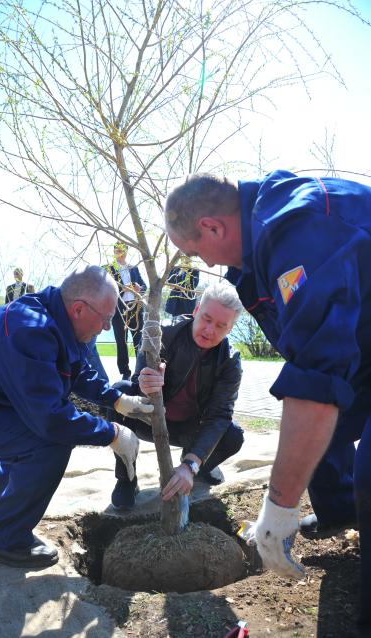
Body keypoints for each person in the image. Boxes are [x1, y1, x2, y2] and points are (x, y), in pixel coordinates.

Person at [164, 169, 371, 628]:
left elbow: (316, 375)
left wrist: (278, 505)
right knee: (319, 437)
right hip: (362, 350)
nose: (210, 264)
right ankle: (341, 516)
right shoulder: (259, 252)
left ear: (213, 227)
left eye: (198, 252)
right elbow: (310, 362)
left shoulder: (302, 227)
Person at [0, 265, 154, 568]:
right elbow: (52, 419)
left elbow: (75, 368)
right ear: (79, 309)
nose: (108, 327)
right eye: (107, 318)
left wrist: (117, 399)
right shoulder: (29, 329)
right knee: (50, 442)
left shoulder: (57, 318)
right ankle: (3, 539)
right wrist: (111, 434)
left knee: (38, 434)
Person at [109, 279, 244, 510]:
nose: (210, 330)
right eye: (207, 319)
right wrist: (147, 383)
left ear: (230, 329)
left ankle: (198, 466)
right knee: (117, 393)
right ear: (196, 310)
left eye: (221, 326)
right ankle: (126, 477)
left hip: (190, 429)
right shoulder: (161, 335)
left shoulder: (229, 361)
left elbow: (219, 415)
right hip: (150, 418)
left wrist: (191, 463)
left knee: (233, 435)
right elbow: (137, 386)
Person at [106, 242, 147, 380]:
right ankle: (125, 372)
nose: (119, 252)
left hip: (135, 307)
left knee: (138, 340)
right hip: (119, 308)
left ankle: (139, 370)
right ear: (114, 251)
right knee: (121, 340)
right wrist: (122, 289)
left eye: (122, 250)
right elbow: (105, 290)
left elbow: (144, 286)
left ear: (126, 252)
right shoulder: (109, 269)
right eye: (117, 250)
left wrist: (138, 287)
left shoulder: (133, 268)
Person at [165, 256, 200, 323]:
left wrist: (186, 273)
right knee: (173, 324)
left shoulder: (194, 270)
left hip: (187, 303)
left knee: (186, 323)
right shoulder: (175, 269)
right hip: (175, 303)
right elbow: (169, 283)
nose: (185, 259)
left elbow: (193, 285)